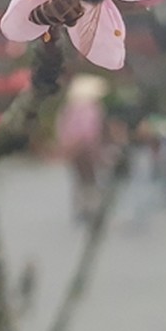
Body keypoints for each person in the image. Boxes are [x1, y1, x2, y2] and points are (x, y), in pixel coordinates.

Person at [56, 75, 108, 224]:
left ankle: (80, 209)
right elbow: (90, 132)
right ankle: (90, 209)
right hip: (86, 149)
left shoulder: (69, 109)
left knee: (78, 179)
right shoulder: (91, 109)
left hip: (72, 148)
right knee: (90, 179)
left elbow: (62, 129)